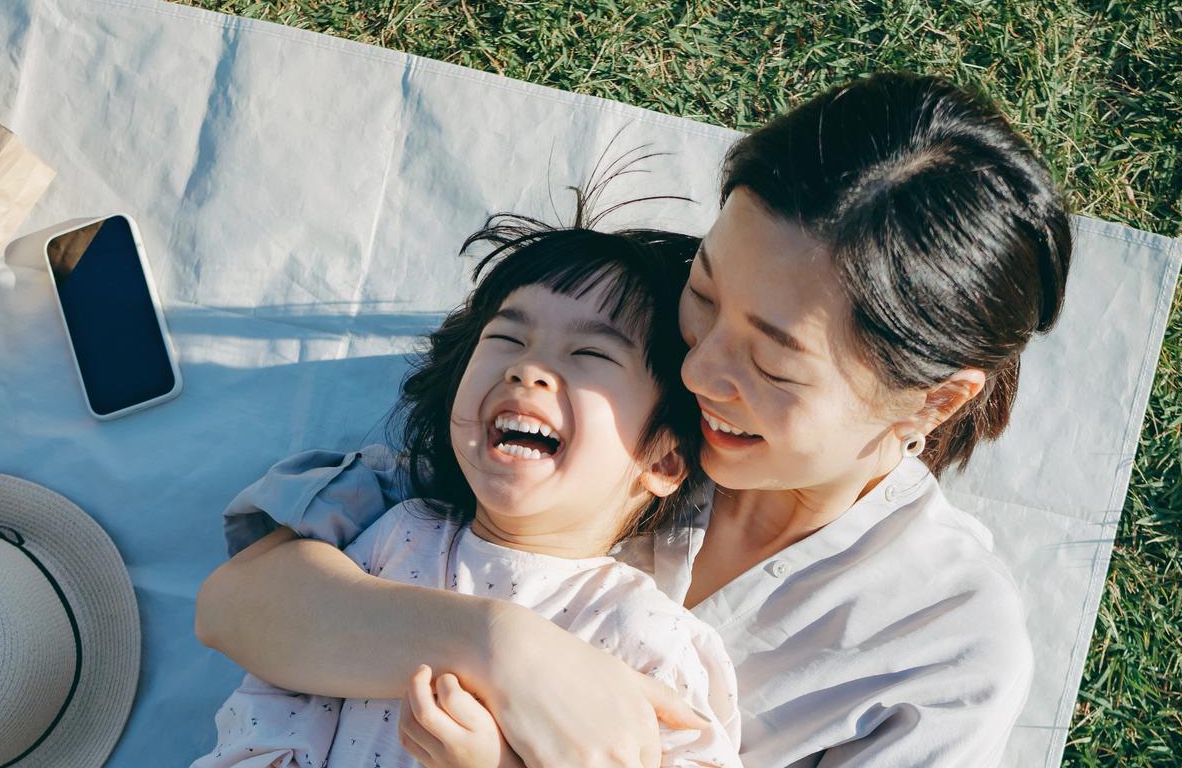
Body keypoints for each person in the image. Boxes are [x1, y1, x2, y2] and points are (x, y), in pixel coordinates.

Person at [196, 71, 1073, 768]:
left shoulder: (942, 656)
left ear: (935, 398)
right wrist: (506, 649)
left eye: (771, 363)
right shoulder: (615, 344)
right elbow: (246, 604)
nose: (698, 368)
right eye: (706, 288)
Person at [191, 211, 742, 768]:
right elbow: (277, 696)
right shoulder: (394, 536)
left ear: (664, 460)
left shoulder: (646, 637)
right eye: (507, 338)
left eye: (590, 354)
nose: (529, 369)